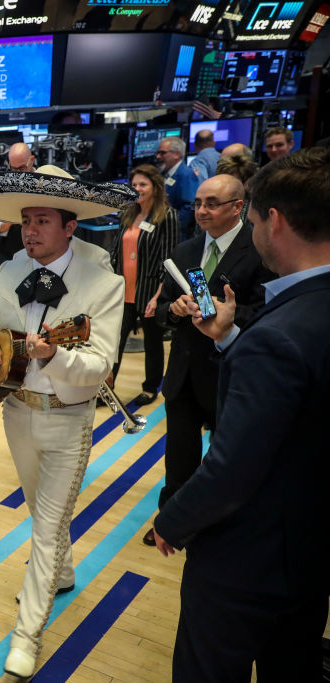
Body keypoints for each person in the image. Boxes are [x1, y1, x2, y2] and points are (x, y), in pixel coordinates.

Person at [153, 148, 330, 681]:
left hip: (251, 559)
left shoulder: (277, 335)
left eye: (251, 220)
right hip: (311, 546)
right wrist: (228, 335)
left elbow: (233, 469)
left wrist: (173, 520)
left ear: (272, 221)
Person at [0, 167, 133, 679]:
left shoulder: (103, 283)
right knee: (41, 514)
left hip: (69, 420)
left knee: (47, 529)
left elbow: (100, 366)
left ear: (70, 225)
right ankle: (63, 571)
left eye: (43, 221)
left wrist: (54, 356)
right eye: (26, 220)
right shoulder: (11, 269)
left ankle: (26, 635)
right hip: (14, 412)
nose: (30, 230)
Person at [140, 174, 272, 546]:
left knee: (227, 460)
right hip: (183, 372)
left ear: (237, 207)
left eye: (211, 203)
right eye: (198, 203)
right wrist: (175, 309)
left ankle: (220, 523)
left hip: (230, 374)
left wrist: (228, 314)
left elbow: (265, 311)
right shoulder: (185, 252)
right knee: (178, 457)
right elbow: (162, 310)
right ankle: (171, 520)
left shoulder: (259, 250)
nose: (201, 210)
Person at [109, 164, 179, 405]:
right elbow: (117, 251)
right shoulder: (128, 212)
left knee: (153, 342)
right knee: (114, 341)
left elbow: (168, 259)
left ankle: (150, 388)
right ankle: (108, 387)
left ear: (155, 187)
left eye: (143, 184)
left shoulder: (166, 215)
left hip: (150, 291)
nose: (137, 189)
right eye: (135, 184)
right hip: (123, 290)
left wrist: (158, 296)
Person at [0, 142, 38, 260]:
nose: (18, 174)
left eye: (22, 168)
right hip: (11, 253)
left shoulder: (46, 182)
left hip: (42, 252)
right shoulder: (2, 186)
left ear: (31, 160)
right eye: (14, 168)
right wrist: (20, 216)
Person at [156, 137, 199, 241]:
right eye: (158, 153)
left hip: (176, 235)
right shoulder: (165, 173)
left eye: (162, 153)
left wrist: (170, 226)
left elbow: (189, 207)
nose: (158, 156)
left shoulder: (186, 174)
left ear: (177, 154)